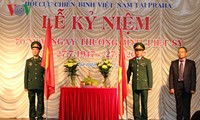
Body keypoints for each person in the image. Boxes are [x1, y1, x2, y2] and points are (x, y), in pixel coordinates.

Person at [169, 47, 196, 120]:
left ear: (186, 53)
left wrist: (193, 88)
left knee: (187, 105)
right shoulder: (173, 63)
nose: (180, 53)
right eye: (179, 52)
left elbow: (193, 76)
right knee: (179, 105)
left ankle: (187, 118)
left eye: (182, 52)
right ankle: (179, 118)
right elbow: (171, 76)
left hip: (187, 86)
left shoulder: (191, 63)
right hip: (177, 86)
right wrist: (171, 87)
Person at [127, 42, 153, 120]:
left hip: (144, 85)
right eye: (136, 50)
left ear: (143, 51)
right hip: (135, 85)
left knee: (144, 103)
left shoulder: (147, 61)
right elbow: (128, 73)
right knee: (136, 103)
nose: (138, 52)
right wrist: (126, 82)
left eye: (140, 50)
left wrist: (150, 85)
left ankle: (144, 118)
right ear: (134, 51)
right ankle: (137, 118)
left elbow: (150, 73)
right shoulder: (131, 61)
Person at [24, 41, 45, 120]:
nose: (35, 51)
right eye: (33, 49)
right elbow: (26, 74)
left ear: (39, 50)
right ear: (32, 50)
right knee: (31, 102)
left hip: (40, 84)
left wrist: (46, 84)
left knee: (40, 102)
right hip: (31, 85)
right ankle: (32, 116)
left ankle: (39, 116)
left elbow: (46, 74)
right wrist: (26, 86)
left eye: (36, 49)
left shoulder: (43, 61)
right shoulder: (28, 61)